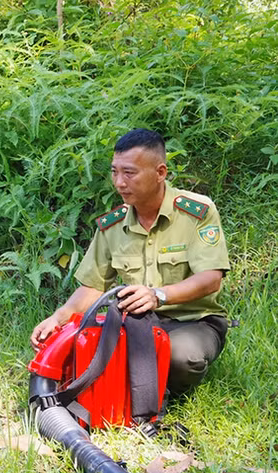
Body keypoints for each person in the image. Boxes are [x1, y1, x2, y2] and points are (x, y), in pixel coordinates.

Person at [31, 128, 230, 395]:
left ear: (160, 173)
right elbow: (93, 287)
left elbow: (210, 278)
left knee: (182, 358)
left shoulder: (196, 213)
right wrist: (58, 319)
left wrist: (158, 295)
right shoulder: (112, 226)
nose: (119, 183)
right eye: (115, 171)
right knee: (76, 348)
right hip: (137, 324)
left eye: (129, 173)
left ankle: (165, 393)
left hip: (193, 321)